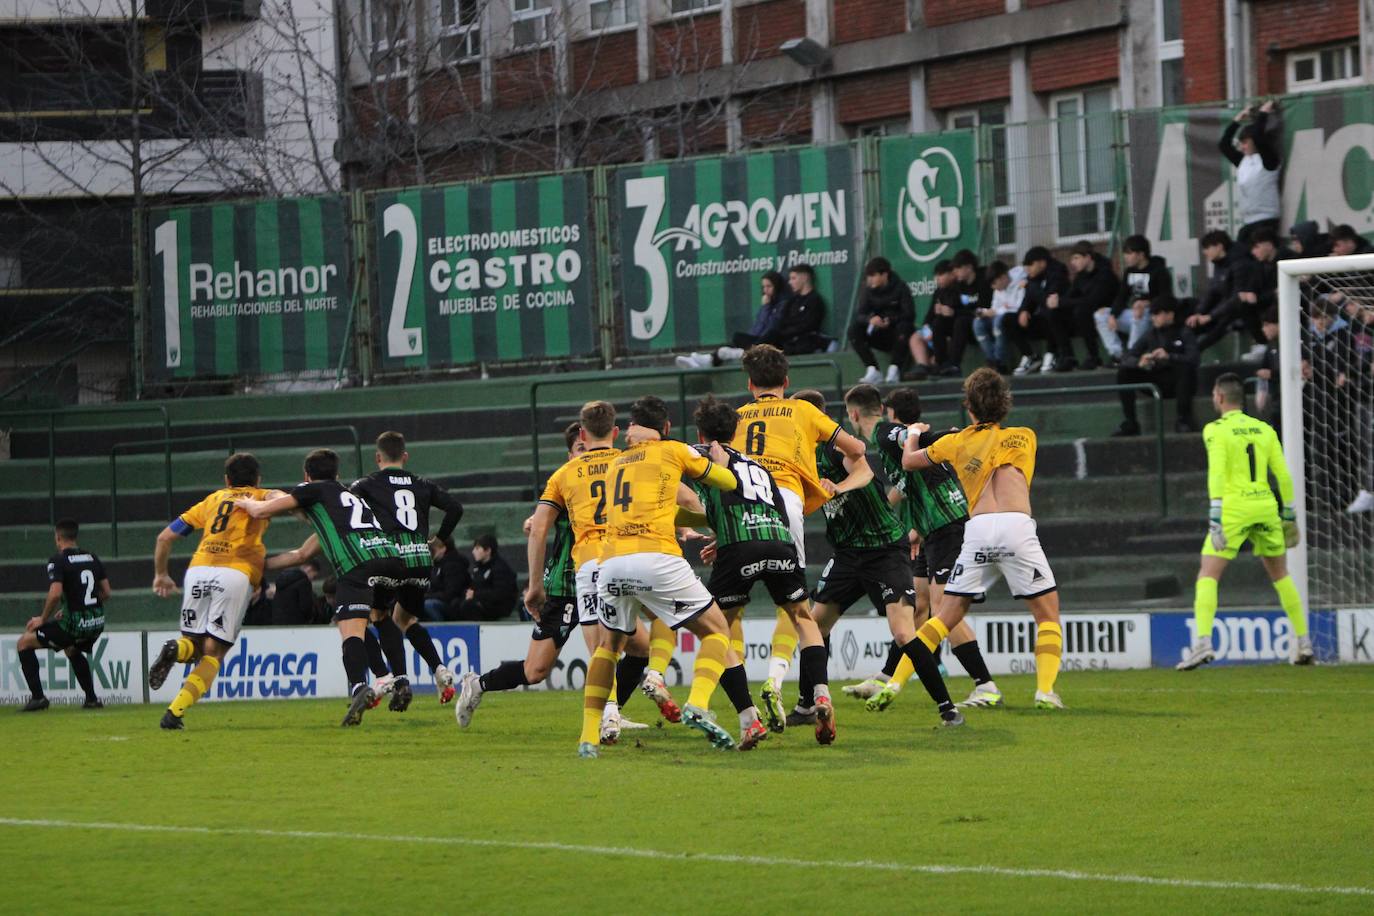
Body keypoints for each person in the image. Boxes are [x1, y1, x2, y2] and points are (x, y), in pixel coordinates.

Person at [458, 421, 661, 736]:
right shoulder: (567, 484)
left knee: (637, 648)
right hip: (565, 588)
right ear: (571, 454)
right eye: (580, 450)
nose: (587, 454)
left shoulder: (614, 476)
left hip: (604, 579)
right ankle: (478, 684)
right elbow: (537, 522)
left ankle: (611, 713)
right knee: (535, 670)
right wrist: (532, 527)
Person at [579, 395, 750, 757]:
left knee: (608, 648)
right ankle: (698, 703)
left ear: (631, 429)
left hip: (609, 564)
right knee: (718, 631)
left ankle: (588, 737)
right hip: (655, 556)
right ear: (667, 428)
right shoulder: (673, 450)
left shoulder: (615, 463)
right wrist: (722, 465)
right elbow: (724, 482)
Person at [903, 368, 1066, 720]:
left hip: (975, 527)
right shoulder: (1025, 436)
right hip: (1015, 524)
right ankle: (1046, 691)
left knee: (944, 615)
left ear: (969, 406)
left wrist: (914, 434)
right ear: (1005, 404)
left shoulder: (957, 440)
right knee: (1047, 615)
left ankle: (894, 682)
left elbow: (909, 462)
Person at [733, 344, 872, 731]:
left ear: (749, 383)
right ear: (787, 382)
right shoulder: (802, 409)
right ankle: (784, 682)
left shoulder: (737, 417)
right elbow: (858, 448)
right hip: (786, 501)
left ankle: (738, 709)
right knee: (795, 604)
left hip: (742, 505)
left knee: (728, 610)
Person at [233, 448, 409, 727]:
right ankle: (394, 678)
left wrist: (246, 503)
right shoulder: (345, 500)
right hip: (391, 561)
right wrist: (262, 565)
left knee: (349, 629)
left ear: (306, 476)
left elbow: (263, 509)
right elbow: (301, 555)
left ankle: (358, 687)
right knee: (375, 617)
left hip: (358, 565)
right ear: (337, 475)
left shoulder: (312, 490)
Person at [852, 386, 1001, 711]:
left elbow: (911, 434)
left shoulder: (886, 432)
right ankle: (886, 676)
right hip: (932, 529)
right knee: (918, 604)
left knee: (942, 608)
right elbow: (905, 487)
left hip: (948, 525)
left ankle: (985, 685)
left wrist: (940, 434)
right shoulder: (900, 443)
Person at [686, 396, 806, 747]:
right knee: (799, 616)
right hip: (778, 542)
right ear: (735, 431)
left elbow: (685, 491)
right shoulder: (757, 465)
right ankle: (807, 693)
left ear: (700, 432)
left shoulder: (701, 453)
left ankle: (740, 715)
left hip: (740, 547)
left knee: (714, 630)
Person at [1177, 373, 1312, 669]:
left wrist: (1215, 516)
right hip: (1265, 506)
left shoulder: (1215, 430)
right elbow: (1284, 475)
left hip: (1234, 509)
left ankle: (1202, 642)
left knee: (1208, 575)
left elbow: (1217, 472)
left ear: (1219, 397)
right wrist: (1288, 514)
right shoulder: (1264, 429)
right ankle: (1304, 642)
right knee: (1281, 575)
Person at [148, 453, 277, 730]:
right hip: (235, 572)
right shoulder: (261, 495)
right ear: (258, 479)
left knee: (194, 645)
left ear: (227, 480)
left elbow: (164, 537)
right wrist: (269, 497)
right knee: (214, 653)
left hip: (199, 569)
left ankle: (175, 649)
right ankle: (174, 712)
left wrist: (161, 574)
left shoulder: (212, 500)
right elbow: (281, 499)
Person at [350, 430, 464, 705]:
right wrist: (438, 539)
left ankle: (399, 680)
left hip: (390, 556)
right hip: (420, 559)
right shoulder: (421, 483)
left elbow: (348, 510)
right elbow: (455, 508)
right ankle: (440, 669)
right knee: (405, 619)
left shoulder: (366, 484)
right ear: (405, 456)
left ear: (377, 457)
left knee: (378, 615)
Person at [15, 518, 109, 711]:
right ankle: (92, 699)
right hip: (97, 623)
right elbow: (106, 592)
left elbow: (56, 593)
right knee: (71, 648)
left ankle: (38, 698)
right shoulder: (92, 557)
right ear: (75, 537)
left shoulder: (58, 560)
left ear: (58, 538)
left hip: (74, 625)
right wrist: (73, 609)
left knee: (24, 643)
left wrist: (42, 618)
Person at [1112, 299, 1200, 436]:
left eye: (1157, 314)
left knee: (1185, 369)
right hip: (1157, 379)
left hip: (1178, 382)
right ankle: (1130, 422)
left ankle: (1184, 419)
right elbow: (1127, 357)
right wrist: (1140, 362)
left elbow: (1194, 359)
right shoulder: (1150, 333)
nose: (1153, 318)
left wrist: (1169, 356)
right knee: (1124, 373)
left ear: (1170, 314)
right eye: (1152, 314)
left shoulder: (1184, 332)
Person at [676, 271, 793, 368]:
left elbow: (772, 328)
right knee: (736, 340)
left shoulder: (783, 304)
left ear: (777, 286)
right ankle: (709, 359)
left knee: (735, 340)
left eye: (769, 286)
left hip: (770, 343)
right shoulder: (769, 304)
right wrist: (765, 308)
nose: (765, 290)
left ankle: (711, 359)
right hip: (759, 340)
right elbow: (758, 327)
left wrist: (766, 308)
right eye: (764, 287)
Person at [1095, 235, 1175, 363]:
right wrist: (1113, 315)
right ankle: (1117, 354)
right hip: (1135, 313)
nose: (1125, 257)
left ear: (1141, 254)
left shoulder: (1159, 271)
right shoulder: (1129, 271)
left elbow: (1166, 297)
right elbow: (1122, 296)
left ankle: (1132, 354)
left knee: (1139, 312)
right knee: (1101, 315)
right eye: (1125, 253)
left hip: (1153, 316)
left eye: (1129, 253)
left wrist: (1147, 303)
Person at [1218, 100, 1281, 252]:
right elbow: (1224, 145)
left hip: (1266, 220)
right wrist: (1237, 120)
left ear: (1254, 142)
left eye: (1245, 142)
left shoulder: (1268, 160)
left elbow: (1258, 136)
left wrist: (1263, 113)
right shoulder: (1243, 161)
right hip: (1248, 221)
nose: (1242, 147)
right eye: (1241, 143)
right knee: (1238, 255)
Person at [1005, 246, 1071, 374]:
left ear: (1042, 263)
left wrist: (1030, 286)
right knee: (1008, 319)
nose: (1028, 270)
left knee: (1050, 312)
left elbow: (1049, 301)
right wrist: (1024, 310)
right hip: (1044, 322)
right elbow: (1029, 298)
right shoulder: (1034, 277)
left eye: (1031, 265)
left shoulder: (1058, 273)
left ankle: (1053, 353)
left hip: (1063, 320)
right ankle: (1030, 356)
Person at [852, 256, 915, 384]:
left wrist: (889, 320)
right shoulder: (868, 291)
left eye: (873, 275)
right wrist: (871, 320)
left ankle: (895, 369)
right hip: (878, 333)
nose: (870, 279)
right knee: (854, 330)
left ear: (884, 274)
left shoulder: (901, 287)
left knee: (905, 326)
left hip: (898, 334)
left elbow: (909, 314)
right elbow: (860, 315)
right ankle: (873, 369)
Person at [1059, 240, 1119, 370]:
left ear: (1088, 257)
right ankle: (1066, 356)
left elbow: (1092, 300)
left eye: (1076, 258)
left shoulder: (1105, 273)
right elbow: (1071, 296)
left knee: (1081, 311)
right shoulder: (1081, 276)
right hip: (1090, 312)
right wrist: (1057, 301)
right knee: (1056, 312)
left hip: (1109, 311)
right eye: (1072, 259)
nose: (1072, 263)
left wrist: (1062, 301)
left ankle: (1094, 357)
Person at [929, 249, 987, 376]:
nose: (955, 272)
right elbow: (957, 308)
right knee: (938, 322)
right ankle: (941, 363)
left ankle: (954, 364)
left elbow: (981, 309)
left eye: (958, 268)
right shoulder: (959, 285)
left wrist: (954, 313)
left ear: (969, 267)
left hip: (982, 323)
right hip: (964, 323)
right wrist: (947, 311)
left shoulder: (984, 281)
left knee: (961, 321)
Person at [1188, 230, 1243, 352]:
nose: (1204, 252)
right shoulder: (1219, 264)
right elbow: (1212, 291)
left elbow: (1236, 298)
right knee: (1190, 319)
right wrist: (1199, 312)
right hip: (1221, 309)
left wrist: (1211, 316)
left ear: (1219, 246)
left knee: (1216, 328)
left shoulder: (1239, 264)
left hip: (1237, 310)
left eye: (1207, 248)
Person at [973, 260, 1022, 375]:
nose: (993, 287)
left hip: (1012, 319)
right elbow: (995, 307)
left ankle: (1000, 361)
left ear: (1003, 277)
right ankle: (992, 360)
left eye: (994, 283)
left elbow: (1018, 307)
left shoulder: (1019, 284)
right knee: (978, 323)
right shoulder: (998, 291)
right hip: (999, 317)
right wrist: (986, 312)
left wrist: (998, 311)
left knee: (998, 321)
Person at [907, 260, 953, 380]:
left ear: (951, 274)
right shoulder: (938, 292)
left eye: (941, 275)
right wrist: (927, 329)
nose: (937, 279)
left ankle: (938, 363)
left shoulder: (956, 290)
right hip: (933, 333)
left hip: (948, 332)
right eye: (936, 275)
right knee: (915, 337)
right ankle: (923, 366)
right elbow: (929, 317)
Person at [457, 534, 518, 621]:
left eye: (477, 548)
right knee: (456, 604)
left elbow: (500, 593)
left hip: (497, 607)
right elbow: (473, 586)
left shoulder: (500, 568)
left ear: (488, 550)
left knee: (468, 607)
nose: (473, 551)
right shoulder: (478, 568)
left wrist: (475, 595)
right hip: (481, 602)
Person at [424, 538, 469, 620]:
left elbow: (450, 593)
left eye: (432, 549)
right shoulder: (436, 565)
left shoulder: (454, 565)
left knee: (428, 605)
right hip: (437, 598)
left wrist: (427, 597)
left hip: (451, 604)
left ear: (443, 548)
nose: (429, 552)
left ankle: (439, 630)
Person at [271, 558, 321, 626]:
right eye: (314, 576)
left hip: (278, 622)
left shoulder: (282, 579)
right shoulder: (304, 582)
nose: (312, 579)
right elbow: (306, 607)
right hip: (296, 625)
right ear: (309, 569)